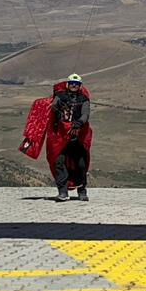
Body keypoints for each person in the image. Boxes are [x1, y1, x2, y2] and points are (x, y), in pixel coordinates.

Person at [49, 73, 92, 202]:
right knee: (59, 162)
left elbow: (85, 114)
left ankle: (82, 190)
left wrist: (78, 123)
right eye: (72, 83)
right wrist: (58, 109)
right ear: (68, 84)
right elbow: (53, 107)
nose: (74, 86)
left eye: (77, 84)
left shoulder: (84, 99)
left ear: (80, 86)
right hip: (61, 136)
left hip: (78, 135)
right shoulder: (60, 97)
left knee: (81, 163)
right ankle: (63, 191)